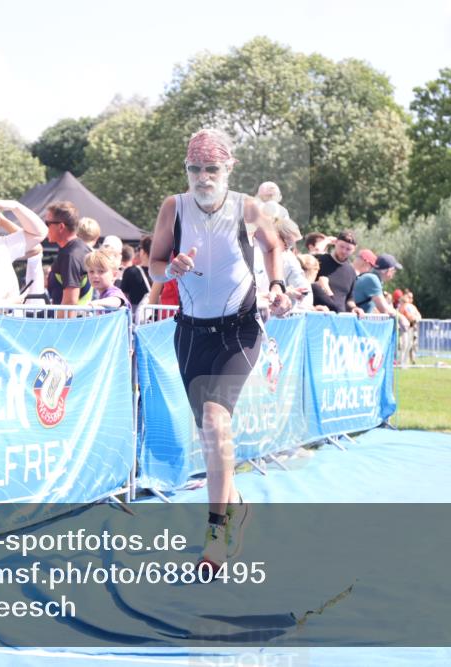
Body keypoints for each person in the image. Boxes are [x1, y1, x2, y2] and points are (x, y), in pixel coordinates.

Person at [148, 128, 290, 574]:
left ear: (228, 169)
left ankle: (215, 535)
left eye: (212, 168)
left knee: (215, 418)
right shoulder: (174, 207)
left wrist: (279, 285)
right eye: (195, 168)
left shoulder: (247, 208)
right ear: (186, 170)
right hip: (190, 332)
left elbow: (275, 248)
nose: (204, 177)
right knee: (209, 434)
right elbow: (153, 263)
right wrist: (170, 268)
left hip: (240, 330)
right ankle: (235, 506)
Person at [45, 201, 93, 317]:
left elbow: (70, 302)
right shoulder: (78, 248)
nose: (45, 227)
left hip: (69, 326)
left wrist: (61, 330)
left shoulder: (71, 255)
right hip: (77, 323)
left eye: (47, 223)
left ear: (61, 227)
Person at [314, 229, 363, 315]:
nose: (344, 251)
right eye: (341, 246)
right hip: (318, 316)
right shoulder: (318, 261)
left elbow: (349, 299)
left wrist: (354, 308)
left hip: (340, 320)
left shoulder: (351, 271)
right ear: (335, 243)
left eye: (348, 249)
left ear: (354, 249)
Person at [121, 235, 153, 310]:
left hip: (136, 316)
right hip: (159, 316)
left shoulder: (130, 272)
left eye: (140, 248)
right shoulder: (164, 273)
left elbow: (124, 296)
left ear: (143, 252)